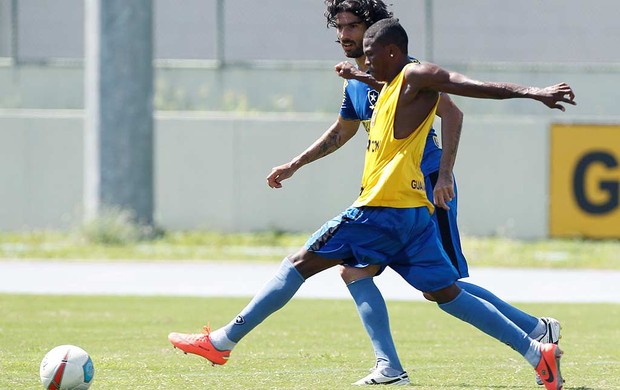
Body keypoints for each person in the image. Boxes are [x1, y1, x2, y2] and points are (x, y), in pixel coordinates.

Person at [168, 18, 574, 390]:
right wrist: (357, 76)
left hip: (380, 209)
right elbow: (376, 97)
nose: (366, 61)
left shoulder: (417, 74)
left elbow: (466, 85)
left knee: (298, 263)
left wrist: (535, 92)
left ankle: (222, 342)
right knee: (446, 293)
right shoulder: (388, 85)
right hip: (413, 215)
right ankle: (535, 350)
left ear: (392, 53)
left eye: (371, 55)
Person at [266, 0, 562, 386]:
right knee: (375, 275)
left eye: (352, 26)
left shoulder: (407, 70)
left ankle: (533, 334)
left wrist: (445, 176)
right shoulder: (360, 79)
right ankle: (532, 334)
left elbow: (454, 113)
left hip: (423, 191)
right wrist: (296, 164)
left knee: (440, 287)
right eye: (339, 28)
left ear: (375, 30)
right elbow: (343, 131)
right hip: (388, 199)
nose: (344, 36)